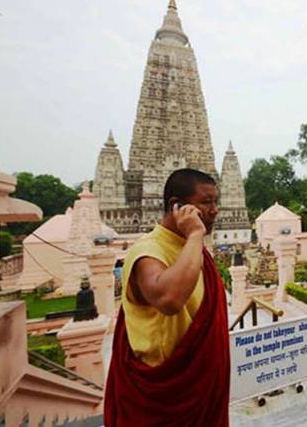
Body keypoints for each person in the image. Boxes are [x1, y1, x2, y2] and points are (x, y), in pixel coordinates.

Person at [104, 168, 230, 427]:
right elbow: (169, 300)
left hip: (202, 389)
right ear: (177, 206)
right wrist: (195, 234)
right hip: (162, 398)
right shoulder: (147, 250)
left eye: (216, 202)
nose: (215, 210)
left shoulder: (193, 252)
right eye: (206, 202)